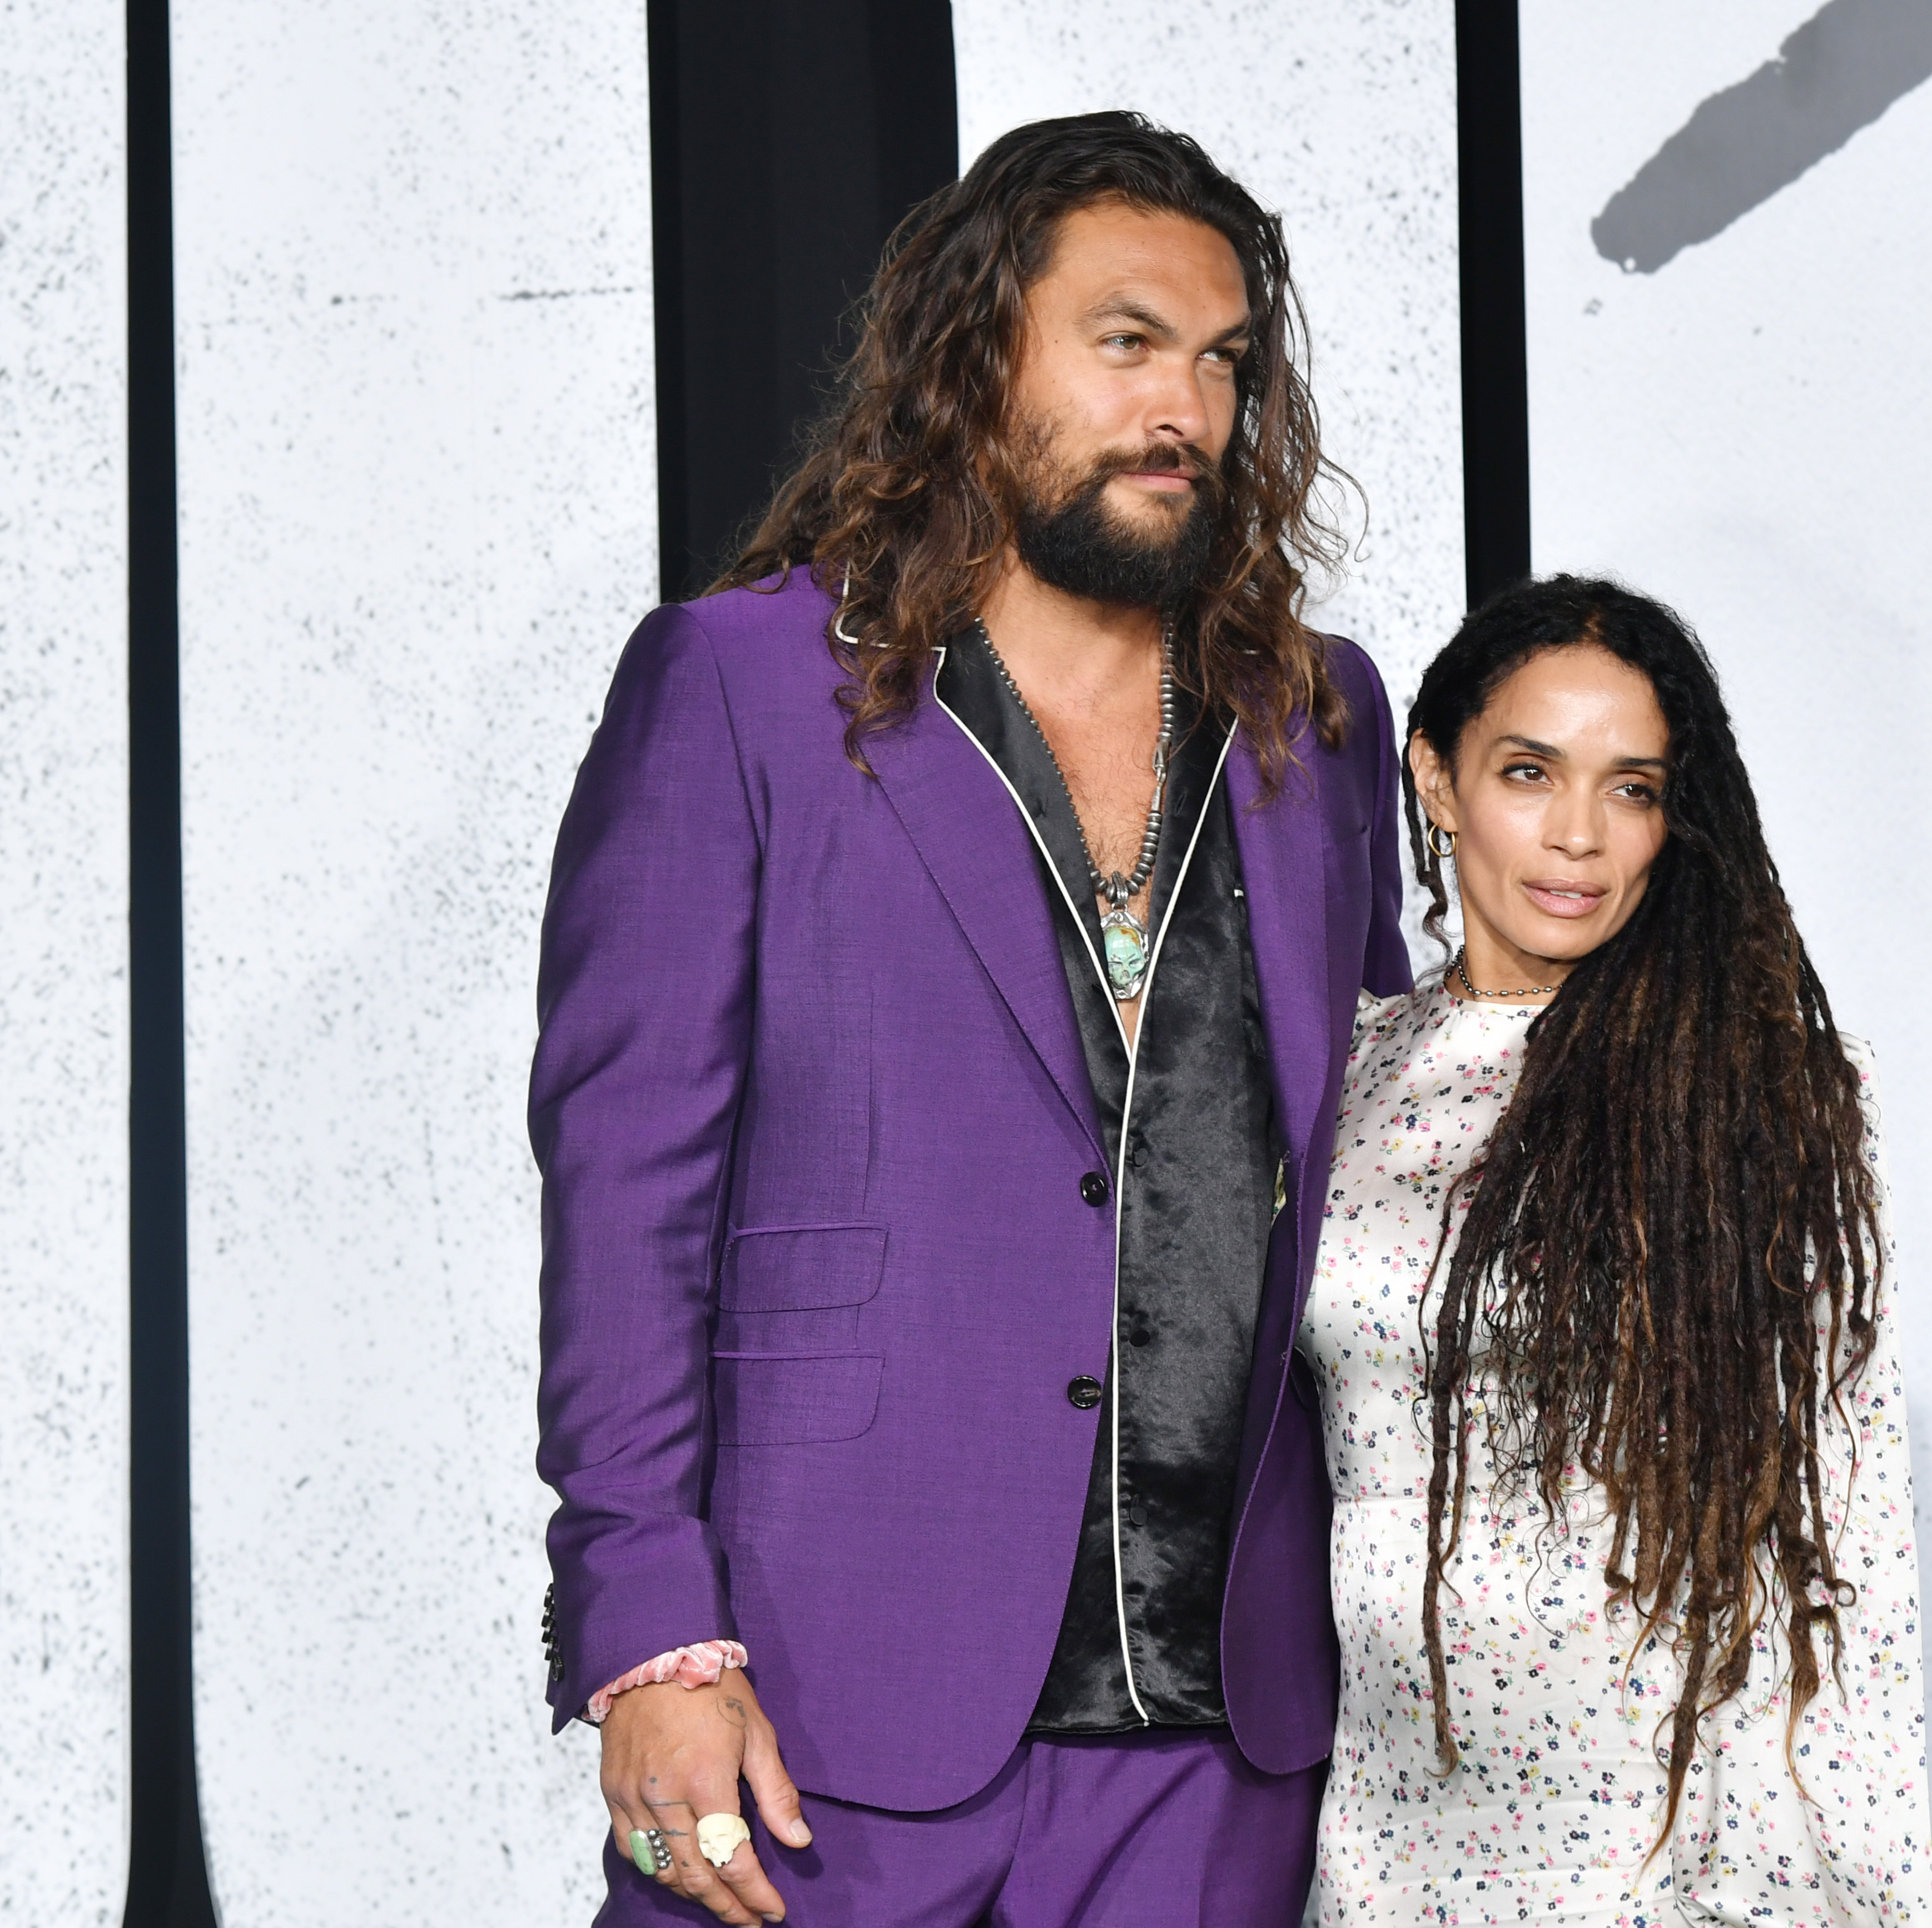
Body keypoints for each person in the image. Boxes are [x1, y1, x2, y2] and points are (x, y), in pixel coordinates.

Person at [529, 113, 1408, 1927]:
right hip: (823, 1696)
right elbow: (625, 1199)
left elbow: (1381, 1177)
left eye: (1224, 360)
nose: (1184, 404)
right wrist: (650, 1636)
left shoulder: (1313, 725)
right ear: (974, 353)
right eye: (1125, 341)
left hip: (1219, 1734)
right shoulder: (746, 687)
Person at [1302, 577, 1931, 1924]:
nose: (1579, 836)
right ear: (1436, 777)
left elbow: (1843, 1534)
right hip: (1387, 1814)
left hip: (1655, 1827)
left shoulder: (1763, 1092)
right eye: (1529, 772)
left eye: (1632, 789)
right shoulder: (1345, 1076)